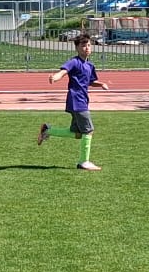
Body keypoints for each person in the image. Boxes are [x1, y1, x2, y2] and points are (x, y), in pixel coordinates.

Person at [37, 30, 110, 170]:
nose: (87, 48)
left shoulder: (90, 66)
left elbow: (90, 81)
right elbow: (63, 72)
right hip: (76, 100)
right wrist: (55, 78)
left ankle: (47, 130)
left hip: (82, 101)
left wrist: (101, 84)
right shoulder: (74, 62)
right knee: (88, 131)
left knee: (77, 134)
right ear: (77, 48)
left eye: (89, 45)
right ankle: (84, 162)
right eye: (83, 45)